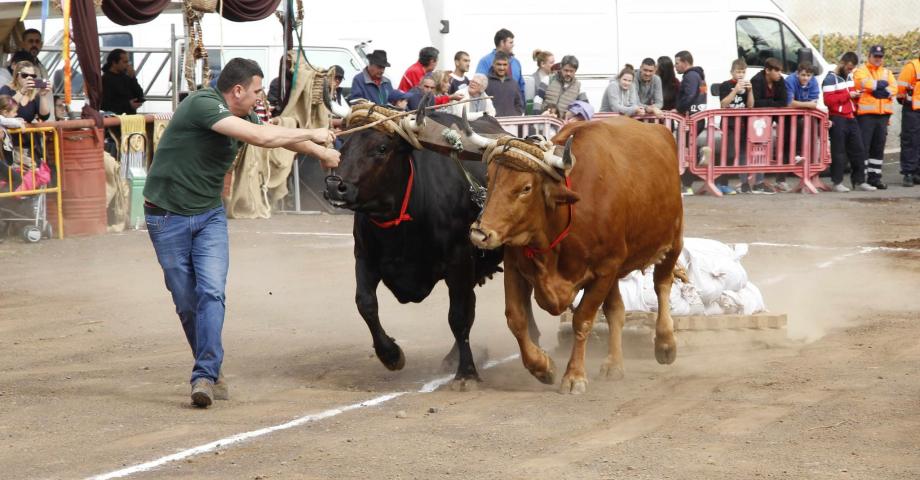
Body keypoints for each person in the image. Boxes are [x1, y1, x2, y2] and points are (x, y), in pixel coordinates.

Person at [143, 58, 340, 408]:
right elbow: (262, 136)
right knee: (187, 302)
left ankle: (203, 374)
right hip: (166, 217)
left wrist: (320, 151)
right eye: (256, 91)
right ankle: (211, 369)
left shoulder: (239, 115)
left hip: (208, 217)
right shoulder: (203, 104)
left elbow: (278, 139)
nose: (260, 98)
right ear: (237, 91)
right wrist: (312, 132)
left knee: (212, 293)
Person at [822, 52, 875, 192]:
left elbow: (848, 96)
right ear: (842, 63)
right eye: (849, 68)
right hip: (837, 118)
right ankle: (837, 182)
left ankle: (859, 180)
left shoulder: (849, 77)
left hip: (851, 116)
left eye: (852, 69)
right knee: (838, 151)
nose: (850, 71)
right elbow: (828, 101)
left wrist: (856, 96)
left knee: (859, 149)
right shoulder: (829, 79)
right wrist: (848, 95)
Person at [853, 44, 897, 190]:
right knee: (863, 148)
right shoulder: (861, 70)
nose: (878, 59)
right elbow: (861, 82)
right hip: (866, 116)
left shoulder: (887, 72)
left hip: (883, 116)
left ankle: (875, 178)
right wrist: (878, 85)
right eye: (875, 56)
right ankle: (860, 179)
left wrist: (877, 90)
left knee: (878, 148)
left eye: (880, 56)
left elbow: (894, 88)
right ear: (869, 56)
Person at [749, 57, 788, 193]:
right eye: (776, 71)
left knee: (784, 141)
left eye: (780, 71)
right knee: (759, 147)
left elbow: (783, 101)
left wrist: (768, 103)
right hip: (758, 120)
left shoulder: (780, 81)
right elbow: (756, 103)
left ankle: (780, 180)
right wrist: (773, 103)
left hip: (773, 118)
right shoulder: (757, 80)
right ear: (767, 70)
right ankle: (757, 181)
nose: (779, 74)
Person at [718, 58, 753, 194]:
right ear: (732, 72)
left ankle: (745, 184)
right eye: (738, 72)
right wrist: (735, 90)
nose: (740, 75)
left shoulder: (746, 85)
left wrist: (749, 91)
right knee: (729, 154)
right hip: (729, 125)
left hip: (743, 125)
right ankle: (722, 183)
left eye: (743, 72)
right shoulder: (725, 85)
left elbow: (750, 105)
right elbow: (723, 104)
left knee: (744, 155)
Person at [674, 50, 707, 195]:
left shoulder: (690, 76)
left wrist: (679, 109)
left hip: (689, 119)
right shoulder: (698, 76)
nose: (675, 67)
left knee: (685, 152)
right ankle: (700, 155)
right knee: (688, 151)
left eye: (677, 63)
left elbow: (689, 95)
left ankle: (687, 185)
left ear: (685, 62)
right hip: (697, 118)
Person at [783, 61, 821, 185]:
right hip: (789, 117)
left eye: (808, 75)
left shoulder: (813, 81)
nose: (805, 78)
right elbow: (789, 104)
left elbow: (814, 103)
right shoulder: (790, 80)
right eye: (803, 75)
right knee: (787, 141)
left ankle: (816, 160)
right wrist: (808, 105)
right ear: (797, 73)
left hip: (805, 115)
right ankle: (794, 158)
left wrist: (803, 105)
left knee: (822, 125)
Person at [475, 28, 525, 105]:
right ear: (502, 43)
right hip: (493, 112)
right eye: (510, 42)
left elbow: (521, 87)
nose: (513, 45)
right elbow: (478, 87)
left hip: (514, 113)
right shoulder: (485, 61)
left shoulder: (516, 62)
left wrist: (522, 110)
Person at [897, 52, 920, 187]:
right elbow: (901, 90)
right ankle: (909, 173)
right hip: (912, 110)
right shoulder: (912, 67)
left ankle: (917, 172)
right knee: (910, 140)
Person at [101, 49, 146, 115]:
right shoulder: (105, 79)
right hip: (116, 120)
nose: (127, 65)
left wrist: (132, 78)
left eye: (128, 62)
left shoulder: (126, 76)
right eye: (125, 62)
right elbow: (104, 105)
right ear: (114, 63)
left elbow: (139, 94)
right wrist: (128, 105)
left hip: (130, 117)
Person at [485, 51, 523, 117]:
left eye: (504, 64)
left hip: (512, 124)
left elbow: (519, 104)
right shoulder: (485, 82)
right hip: (492, 124)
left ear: (508, 65)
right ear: (493, 64)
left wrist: (515, 115)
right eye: (499, 64)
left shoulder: (514, 83)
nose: (502, 68)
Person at [527, 49, 554, 114]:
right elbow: (529, 103)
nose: (554, 65)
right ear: (542, 64)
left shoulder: (554, 79)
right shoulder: (532, 80)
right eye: (551, 63)